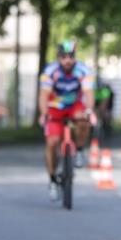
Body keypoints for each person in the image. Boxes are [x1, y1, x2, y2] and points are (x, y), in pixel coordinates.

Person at [38, 40, 96, 201]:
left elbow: (88, 93)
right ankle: (52, 179)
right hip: (54, 106)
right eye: (64, 57)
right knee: (52, 142)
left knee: (84, 120)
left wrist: (89, 110)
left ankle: (78, 150)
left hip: (74, 105)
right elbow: (43, 95)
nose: (67, 60)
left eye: (70, 56)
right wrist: (44, 113)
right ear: (58, 58)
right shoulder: (50, 71)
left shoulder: (83, 70)